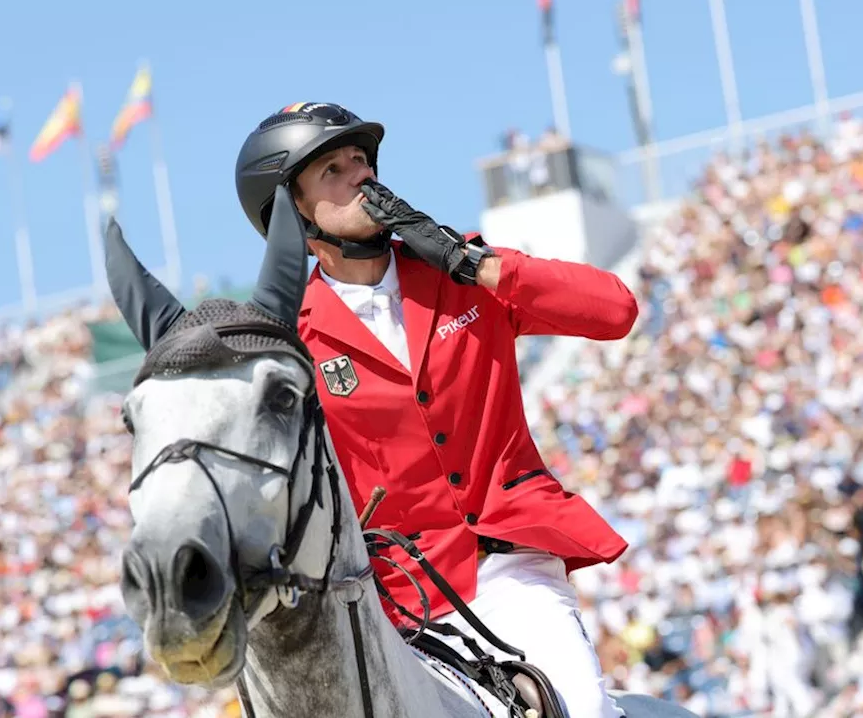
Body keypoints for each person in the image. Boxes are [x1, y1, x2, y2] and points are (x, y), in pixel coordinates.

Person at [235, 102, 638, 718]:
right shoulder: (291, 340)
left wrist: (475, 264)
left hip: (510, 562)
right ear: (291, 211)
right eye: (333, 172)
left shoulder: (461, 272)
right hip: (398, 602)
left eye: (361, 161)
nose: (360, 177)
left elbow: (614, 311)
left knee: (584, 710)